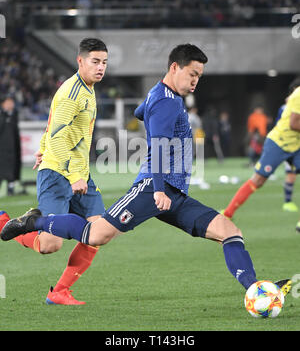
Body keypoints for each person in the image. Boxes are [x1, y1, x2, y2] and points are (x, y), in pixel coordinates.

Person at [1, 44, 291, 297]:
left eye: (199, 76)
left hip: (173, 193)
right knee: (95, 234)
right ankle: (32, 224)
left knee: (229, 231)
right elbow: (159, 146)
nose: (195, 82)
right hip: (154, 189)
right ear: (175, 67)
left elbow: (140, 112)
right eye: (192, 74)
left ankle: (255, 288)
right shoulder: (166, 102)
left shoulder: (160, 95)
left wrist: (147, 111)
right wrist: (160, 189)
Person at [0, 38, 108, 305]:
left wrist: (41, 147)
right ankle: (5, 223)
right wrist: (73, 176)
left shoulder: (87, 88)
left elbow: (55, 127)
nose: (101, 67)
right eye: (95, 61)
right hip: (60, 174)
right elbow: (59, 138)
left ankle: (59, 291)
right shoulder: (73, 94)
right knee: (50, 245)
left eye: (104, 62)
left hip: (79, 172)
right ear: (80, 61)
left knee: (100, 231)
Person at [221, 77, 300, 221]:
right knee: (258, 180)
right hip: (279, 144)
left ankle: (289, 205)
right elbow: (294, 124)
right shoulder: (298, 95)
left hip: (297, 146)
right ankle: (228, 213)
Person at [0, 96, 21, 196]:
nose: (11, 105)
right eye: (8, 102)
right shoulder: (2, 115)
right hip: (1, 150)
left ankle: (10, 190)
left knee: (12, 171)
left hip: (12, 150)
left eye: (12, 102)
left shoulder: (14, 115)